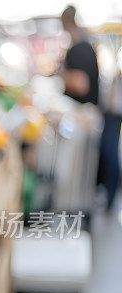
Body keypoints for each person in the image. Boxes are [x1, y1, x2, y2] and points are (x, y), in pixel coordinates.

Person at [61, 5, 119, 210]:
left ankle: (77, 208)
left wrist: (62, 75)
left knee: (79, 171)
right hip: (94, 114)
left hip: (84, 116)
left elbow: (81, 84)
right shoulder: (88, 44)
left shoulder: (79, 48)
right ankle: (86, 205)